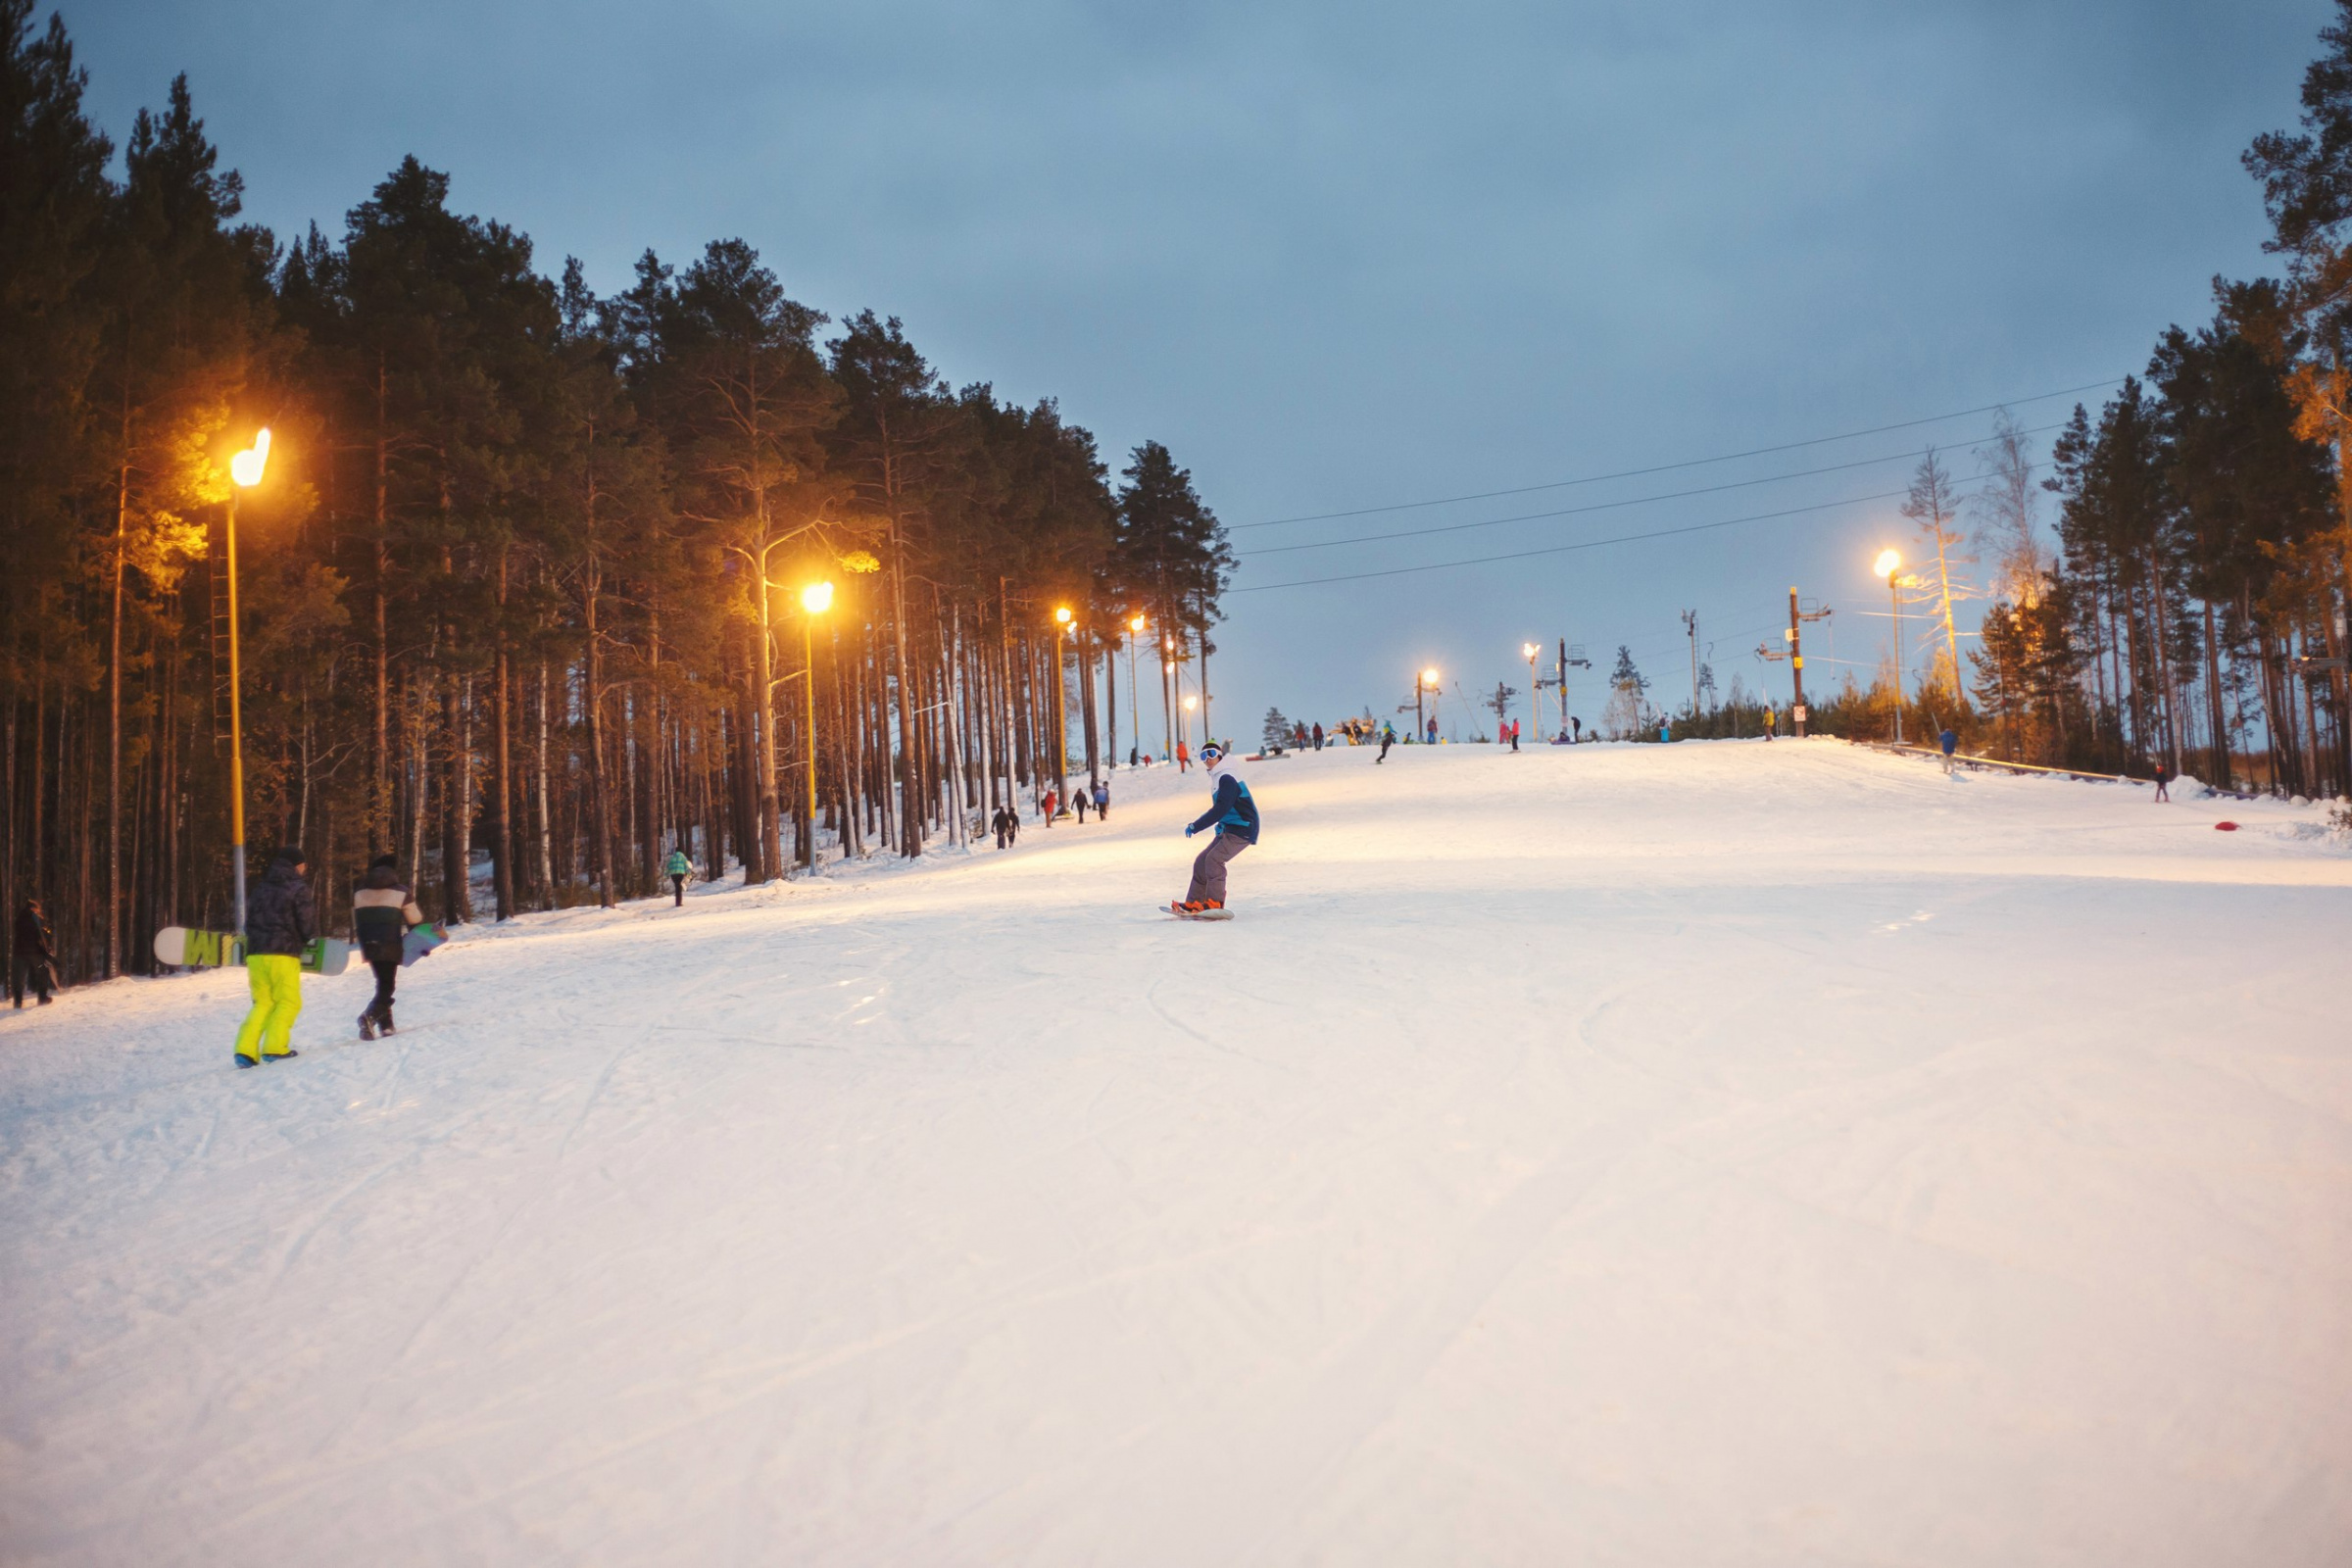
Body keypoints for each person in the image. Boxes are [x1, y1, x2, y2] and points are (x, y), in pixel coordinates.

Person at [237, 846, 316, 1067]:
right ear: (296, 865)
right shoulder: (298, 887)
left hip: (255, 953)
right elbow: (306, 922)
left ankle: (244, 1051)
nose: (304, 868)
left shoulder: (261, 887)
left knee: (262, 1002)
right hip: (283, 952)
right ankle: (274, 1048)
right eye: (303, 864)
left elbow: (249, 921)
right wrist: (306, 937)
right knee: (289, 1001)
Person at [1174, 742, 1260, 914]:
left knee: (1214, 859)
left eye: (1211, 754)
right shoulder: (1218, 777)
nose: (1208, 759)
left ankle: (1215, 902)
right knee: (1201, 861)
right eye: (1203, 756)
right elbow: (1228, 809)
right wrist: (1221, 827)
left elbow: (1222, 808)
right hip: (1231, 827)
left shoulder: (1227, 777)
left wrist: (1196, 825)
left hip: (1243, 827)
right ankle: (1194, 902)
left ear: (1219, 755)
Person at [353, 853, 426, 1040]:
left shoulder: (359, 891)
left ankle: (387, 1026)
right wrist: (422, 941)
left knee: (382, 981)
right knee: (387, 986)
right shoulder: (401, 891)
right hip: (390, 942)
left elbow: (356, 921)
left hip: (368, 943)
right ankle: (368, 1016)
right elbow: (415, 920)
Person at [12, 897, 56, 1008]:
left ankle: (18, 1002)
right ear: (33, 908)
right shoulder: (35, 917)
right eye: (37, 909)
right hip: (33, 951)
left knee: (18, 977)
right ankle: (42, 997)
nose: (38, 911)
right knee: (42, 971)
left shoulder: (19, 918)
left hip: (19, 952)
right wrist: (47, 948)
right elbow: (41, 934)